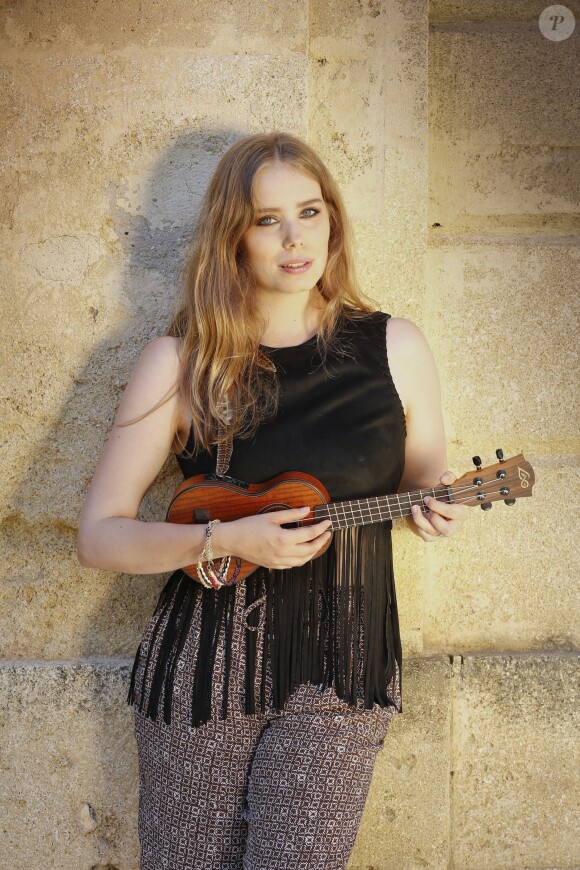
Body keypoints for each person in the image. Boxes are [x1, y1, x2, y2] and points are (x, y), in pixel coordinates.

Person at [77, 132, 468, 870]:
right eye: (267, 220)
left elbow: (424, 480)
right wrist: (228, 540)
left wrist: (433, 506)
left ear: (333, 220)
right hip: (204, 669)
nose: (295, 238)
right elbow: (98, 536)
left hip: (343, 666)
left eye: (310, 212)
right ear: (235, 237)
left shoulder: (397, 348)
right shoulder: (181, 362)